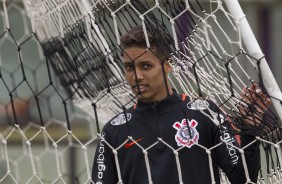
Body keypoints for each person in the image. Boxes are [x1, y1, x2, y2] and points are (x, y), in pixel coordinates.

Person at [91, 25, 271, 184]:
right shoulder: (114, 130)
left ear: (168, 65)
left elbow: (242, 178)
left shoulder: (205, 114)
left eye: (146, 66)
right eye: (129, 68)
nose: (136, 76)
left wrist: (250, 129)